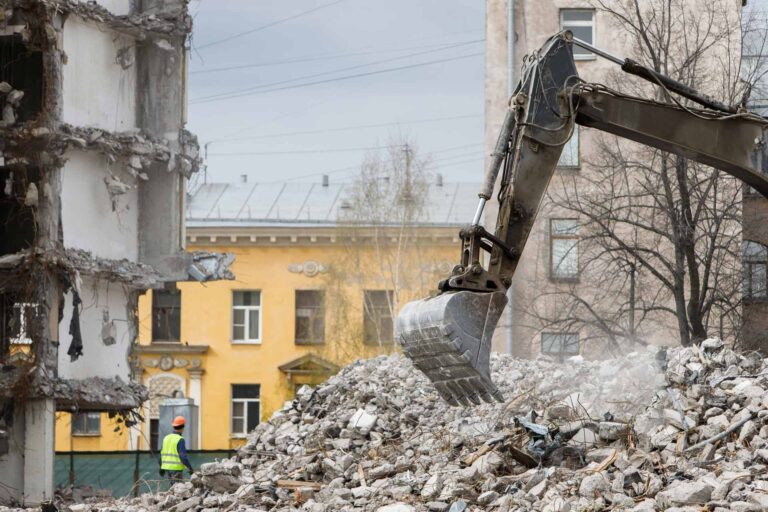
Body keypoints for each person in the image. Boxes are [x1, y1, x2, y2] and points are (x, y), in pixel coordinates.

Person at [159, 416, 194, 482]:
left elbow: (161, 454)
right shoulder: (180, 439)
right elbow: (183, 457)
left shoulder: (166, 438)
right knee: (178, 489)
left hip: (167, 468)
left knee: (173, 489)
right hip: (176, 469)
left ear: (173, 426)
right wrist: (190, 468)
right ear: (183, 427)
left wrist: (161, 467)